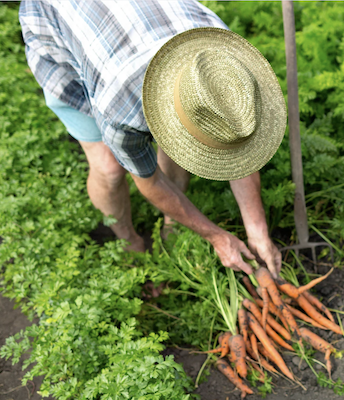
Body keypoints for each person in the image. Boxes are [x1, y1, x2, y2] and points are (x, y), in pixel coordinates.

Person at [19, 0, 284, 277]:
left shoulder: (228, 65)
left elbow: (237, 149)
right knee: (108, 167)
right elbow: (151, 181)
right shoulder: (120, 108)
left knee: (192, 138)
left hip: (144, 29)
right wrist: (218, 237)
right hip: (57, 25)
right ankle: (129, 245)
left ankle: (174, 225)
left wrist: (259, 233)